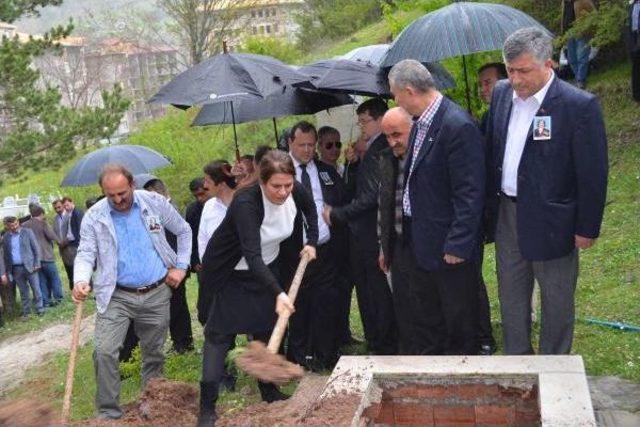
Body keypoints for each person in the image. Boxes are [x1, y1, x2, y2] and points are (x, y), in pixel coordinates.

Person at [485, 27, 608, 355]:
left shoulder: (577, 105)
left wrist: (587, 227)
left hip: (554, 220)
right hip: (508, 214)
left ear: (548, 64)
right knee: (511, 294)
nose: (515, 79)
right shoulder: (500, 94)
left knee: (556, 300)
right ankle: (518, 366)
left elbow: (593, 172)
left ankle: (555, 367)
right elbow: (491, 148)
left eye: (523, 70)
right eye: (509, 70)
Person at [197, 150, 318, 426]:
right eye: (276, 186)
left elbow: (310, 210)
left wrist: (311, 241)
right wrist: (279, 292)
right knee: (218, 336)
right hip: (231, 270)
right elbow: (251, 256)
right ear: (262, 182)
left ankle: (269, 390)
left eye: (288, 185)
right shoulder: (245, 202)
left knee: (266, 327)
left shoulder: (292, 188)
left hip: (268, 266)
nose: (284, 192)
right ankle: (207, 408)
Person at [72, 164, 191, 420]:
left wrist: (181, 267)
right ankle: (108, 413)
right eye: (110, 195)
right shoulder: (94, 216)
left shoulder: (154, 203)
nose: (117, 200)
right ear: (103, 192)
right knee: (104, 351)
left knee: (154, 351)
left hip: (156, 291)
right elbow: (85, 253)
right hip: (116, 295)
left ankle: (153, 404)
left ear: (132, 185)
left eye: (122, 193)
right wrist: (81, 279)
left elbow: (183, 230)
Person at [388, 59, 486, 355]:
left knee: (458, 316)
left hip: (448, 244)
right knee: (432, 316)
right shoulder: (421, 123)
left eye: (395, 95)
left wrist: (458, 243)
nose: (395, 101)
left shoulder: (456, 125)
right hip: (424, 239)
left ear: (408, 91)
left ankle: (462, 374)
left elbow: (470, 192)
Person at [323, 98, 398, 355]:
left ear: (379, 120)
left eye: (364, 121)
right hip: (361, 233)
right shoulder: (371, 150)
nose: (361, 126)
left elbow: (371, 197)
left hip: (371, 232)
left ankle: (384, 341)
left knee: (376, 292)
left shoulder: (380, 149)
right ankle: (376, 338)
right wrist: (354, 165)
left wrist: (337, 214)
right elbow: (356, 190)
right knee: (366, 292)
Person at [284, 120, 347, 371]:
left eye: (311, 145)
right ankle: (299, 356)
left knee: (325, 302)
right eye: (302, 145)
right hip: (294, 250)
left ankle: (325, 353)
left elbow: (342, 199)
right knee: (298, 304)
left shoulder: (325, 171)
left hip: (324, 248)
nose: (308, 150)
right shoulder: (280, 171)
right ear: (291, 142)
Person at [377, 107, 416, 354]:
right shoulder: (388, 159)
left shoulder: (423, 155)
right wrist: (383, 246)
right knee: (403, 303)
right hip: (398, 241)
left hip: (422, 240)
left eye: (397, 135)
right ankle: (409, 352)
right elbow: (384, 205)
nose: (393, 142)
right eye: (388, 137)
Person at [140, 177, 194, 354]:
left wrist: (180, 266)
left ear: (158, 192)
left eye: (151, 194)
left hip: (175, 266)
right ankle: (181, 341)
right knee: (174, 306)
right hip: (165, 267)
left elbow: (180, 236)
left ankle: (183, 343)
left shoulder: (170, 209)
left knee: (177, 307)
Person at [2, 216, 44, 318]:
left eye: (16, 224)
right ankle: (27, 312)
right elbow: (6, 255)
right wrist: (8, 271)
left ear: (18, 222)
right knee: (23, 291)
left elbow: (36, 248)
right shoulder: (6, 237)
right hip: (16, 269)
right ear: (7, 226)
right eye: (12, 226)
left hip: (30, 265)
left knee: (36, 288)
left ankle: (40, 309)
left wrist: (37, 263)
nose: (15, 227)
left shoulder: (27, 232)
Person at [23, 205, 64, 307]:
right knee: (54, 278)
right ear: (41, 213)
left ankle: (46, 301)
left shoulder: (24, 225)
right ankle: (59, 299)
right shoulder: (43, 223)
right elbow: (52, 236)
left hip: (34, 260)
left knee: (41, 281)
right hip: (46, 256)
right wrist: (60, 241)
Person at [562, 0, 597, 89]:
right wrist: (563, 34)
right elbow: (564, 18)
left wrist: (589, 28)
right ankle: (579, 78)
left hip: (581, 32)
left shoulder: (583, 1)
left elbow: (593, 14)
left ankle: (581, 80)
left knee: (581, 57)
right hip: (569, 33)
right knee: (571, 59)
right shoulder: (565, 3)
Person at [61, 197, 83, 289]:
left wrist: (79, 242)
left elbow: (79, 229)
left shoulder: (77, 212)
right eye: (64, 206)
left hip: (76, 243)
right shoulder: (69, 214)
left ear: (71, 202)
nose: (66, 207)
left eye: (67, 205)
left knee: (78, 266)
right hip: (71, 242)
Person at [629, 0, 640, 101]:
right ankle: (636, 95)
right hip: (635, 38)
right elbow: (630, 25)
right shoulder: (632, 6)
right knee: (636, 66)